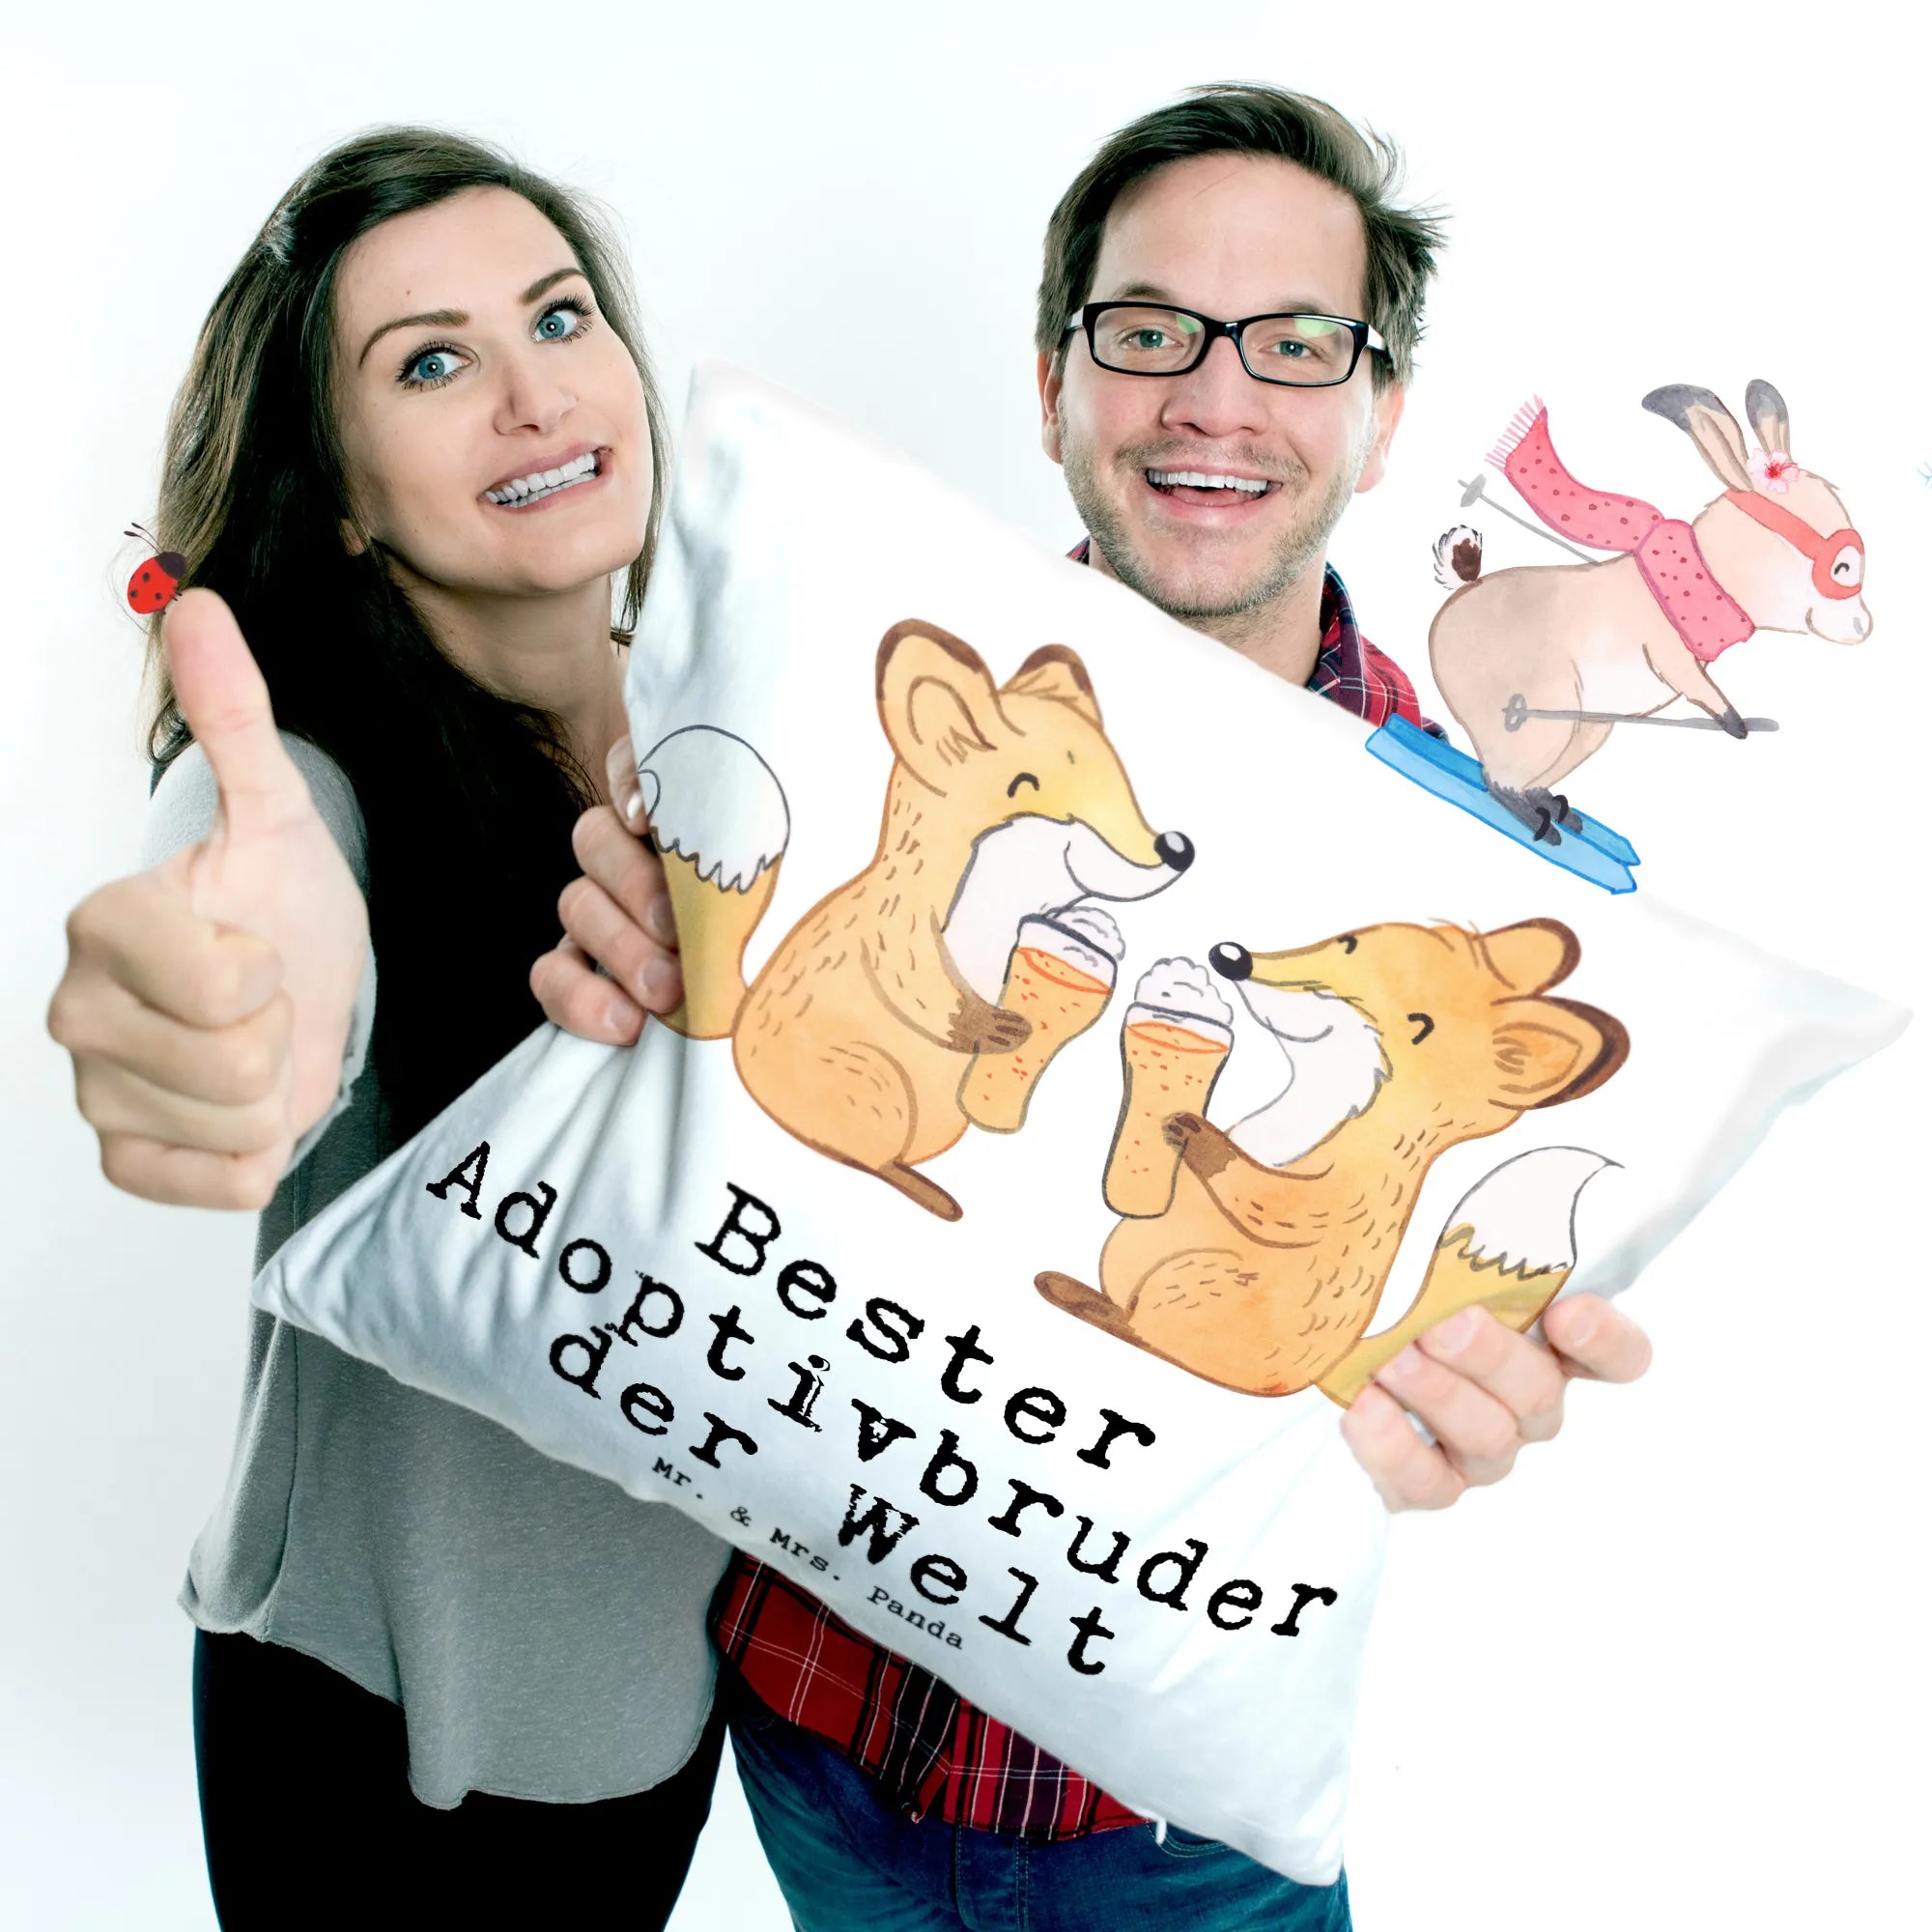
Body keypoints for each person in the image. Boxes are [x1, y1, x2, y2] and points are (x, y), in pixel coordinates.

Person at [532, 84, 1655, 1929]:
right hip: (810, 1744)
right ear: (1054, 384)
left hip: (1182, 1830)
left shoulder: (1476, 890)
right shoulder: (817, 703)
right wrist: (630, 994)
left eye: (1296, 343)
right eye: (1150, 333)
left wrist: (1466, 1382)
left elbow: (1401, 1317)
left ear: (1380, 419)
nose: (1216, 398)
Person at [44, 130, 733, 1927]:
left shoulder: (736, 748)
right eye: (431, 363)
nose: (532, 395)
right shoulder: (309, 781)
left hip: (659, 1707)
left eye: (559, 318)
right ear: (343, 495)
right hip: (379, 1736)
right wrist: (220, 1004)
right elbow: (253, 902)